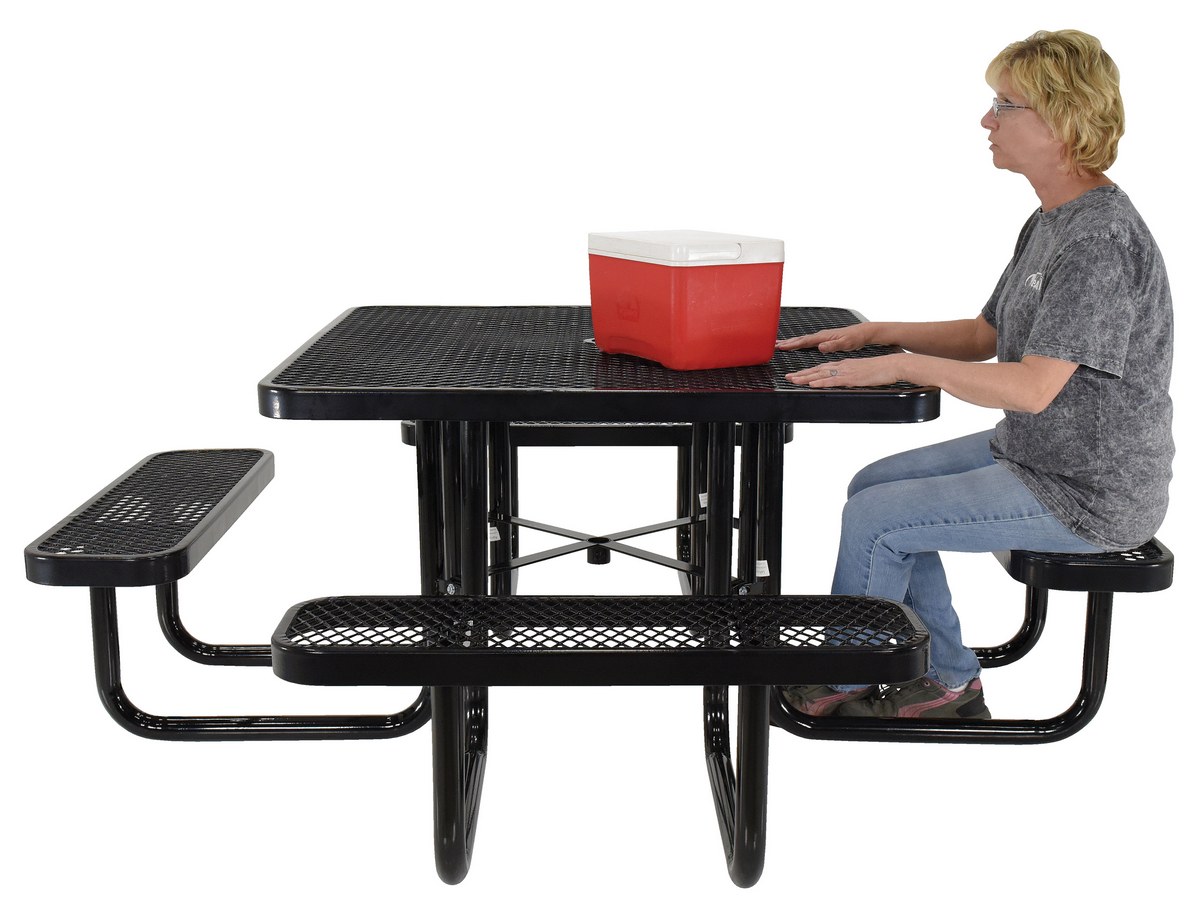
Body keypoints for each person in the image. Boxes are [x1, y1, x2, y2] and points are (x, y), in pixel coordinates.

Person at [776, 29, 1173, 719]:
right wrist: (880, 334)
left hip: (1088, 492)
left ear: (1062, 119)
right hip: (1036, 454)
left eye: (1004, 104)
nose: (986, 120)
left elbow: (1032, 388)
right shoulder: (1052, 221)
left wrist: (904, 367)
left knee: (877, 520)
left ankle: (844, 674)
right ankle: (950, 678)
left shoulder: (1100, 240)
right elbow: (985, 336)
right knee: (872, 487)